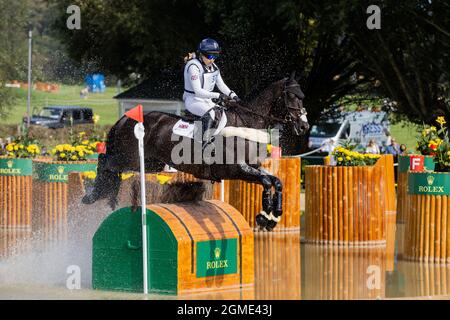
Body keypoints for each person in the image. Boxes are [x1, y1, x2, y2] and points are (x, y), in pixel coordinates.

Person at [183, 38, 240, 150]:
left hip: (206, 100)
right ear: (202, 54)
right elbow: (198, 91)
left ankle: (213, 138)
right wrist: (218, 96)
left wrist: (234, 95)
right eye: (210, 57)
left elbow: (221, 85)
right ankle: (204, 144)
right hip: (192, 100)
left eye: (215, 57)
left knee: (223, 116)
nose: (212, 60)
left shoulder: (214, 67)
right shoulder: (193, 67)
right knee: (211, 114)